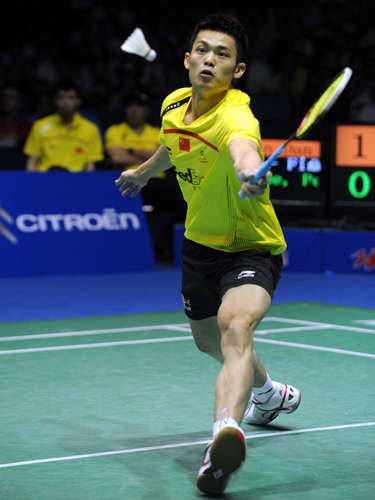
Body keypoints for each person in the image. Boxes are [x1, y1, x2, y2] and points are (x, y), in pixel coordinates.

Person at [115, 13, 301, 495]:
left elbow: (244, 151)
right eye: (203, 50)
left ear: (237, 71)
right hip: (200, 245)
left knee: (235, 326)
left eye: (223, 55)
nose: (210, 60)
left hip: (251, 245)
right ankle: (267, 393)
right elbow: (171, 146)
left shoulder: (237, 116)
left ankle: (223, 435)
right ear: (187, 58)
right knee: (209, 342)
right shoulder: (174, 104)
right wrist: (142, 172)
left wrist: (250, 172)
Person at [106, 92, 186, 261]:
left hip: (156, 181)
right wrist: (151, 156)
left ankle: (162, 246)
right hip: (126, 181)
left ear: (146, 111)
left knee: (184, 198)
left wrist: (131, 151)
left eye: (139, 106)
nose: (134, 110)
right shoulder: (116, 130)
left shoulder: (157, 131)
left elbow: (168, 154)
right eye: (130, 106)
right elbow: (117, 158)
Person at [24, 80, 104, 172]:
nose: (65, 102)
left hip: (75, 181)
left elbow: (90, 165)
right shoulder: (40, 126)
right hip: (45, 180)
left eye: (70, 98)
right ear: (55, 100)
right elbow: (32, 161)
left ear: (78, 101)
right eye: (61, 98)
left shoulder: (91, 129)